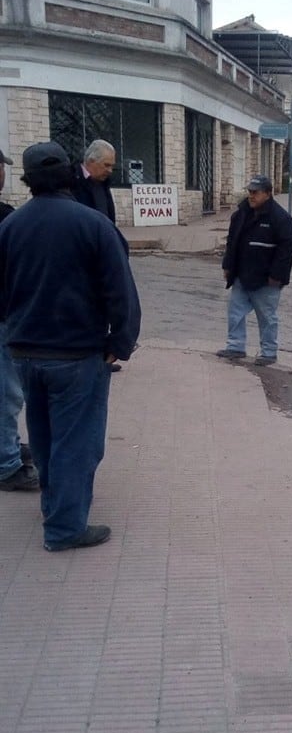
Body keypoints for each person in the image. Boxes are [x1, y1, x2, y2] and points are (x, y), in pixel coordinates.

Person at [0, 141, 141, 551]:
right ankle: (65, 527)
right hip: (78, 355)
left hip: (25, 352)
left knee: (43, 437)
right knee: (76, 441)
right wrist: (121, 342)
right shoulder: (93, 225)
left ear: (27, 180)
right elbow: (121, 291)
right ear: (68, 173)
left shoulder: (10, 228)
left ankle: (56, 504)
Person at [217, 174, 292, 366]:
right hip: (241, 275)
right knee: (235, 312)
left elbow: (287, 250)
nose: (251, 196)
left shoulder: (281, 219)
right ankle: (235, 347)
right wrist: (228, 265)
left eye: (256, 192)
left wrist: (277, 275)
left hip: (266, 279)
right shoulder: (241, 214)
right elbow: (232, 242)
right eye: (250, 192)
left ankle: (268, 352)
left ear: (268, 194)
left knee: (267, 316)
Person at [0, 148, 40, 492]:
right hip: (3, 317)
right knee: (7, 393)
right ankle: (6, 464)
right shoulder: (6, 218)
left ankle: (8, 445)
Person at [71, 139, 123, 370]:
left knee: (104, 305)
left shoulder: (101, 184)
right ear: (91, 162)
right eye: (107, 165)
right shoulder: (73, 183)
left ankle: (103, 355)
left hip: (102, 255)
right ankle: (84, 354)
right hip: (82, 259)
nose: (110, 170)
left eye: (112, 166)